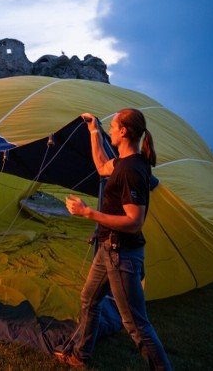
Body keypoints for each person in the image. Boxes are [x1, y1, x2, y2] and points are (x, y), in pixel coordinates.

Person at [56, 109, 171, 369]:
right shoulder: (125, 162)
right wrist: (94, 130)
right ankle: (81, 355)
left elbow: (134, 222)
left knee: (135, 324)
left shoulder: (130, 169)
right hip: (109, 249)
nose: (110, 129)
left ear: (124, 131)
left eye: (112, 125)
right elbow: (100, 166)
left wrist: (88, 213)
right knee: (89, 299)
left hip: (121, 255)